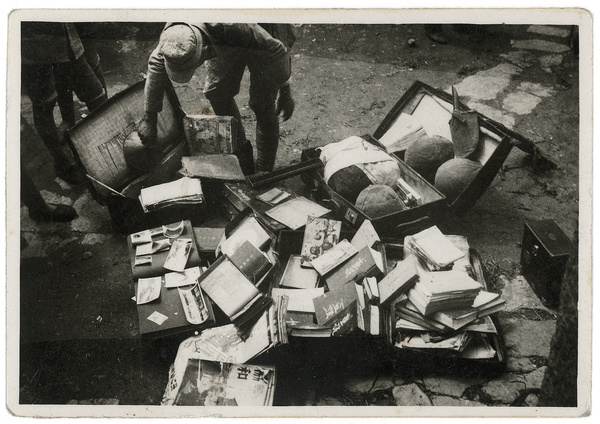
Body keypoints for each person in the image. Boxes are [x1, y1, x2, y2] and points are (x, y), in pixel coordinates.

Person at [139, 23, 296, 175]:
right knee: (217, 93)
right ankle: (242, 155)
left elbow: (277, 51)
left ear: (203, 51)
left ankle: (264, 171)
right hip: (220, 37)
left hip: (261, 27)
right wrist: (149, 118)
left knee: (263, 104)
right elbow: (157, 62)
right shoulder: (176, 32)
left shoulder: (233, 26)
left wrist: (285, 90)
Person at [21, 22, 108, 185]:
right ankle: (63, 163)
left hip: (67, 31)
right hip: (32, 39)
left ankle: (107, 146)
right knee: (44, 102)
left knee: (95, 92)